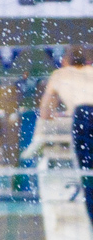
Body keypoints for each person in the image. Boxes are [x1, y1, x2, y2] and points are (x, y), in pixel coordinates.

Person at [38, 47, 93, 222]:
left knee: (87, 172)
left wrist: (55, 115)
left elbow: (45, 111)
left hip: (83, 115)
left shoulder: (60, 74)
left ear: (65, 61)